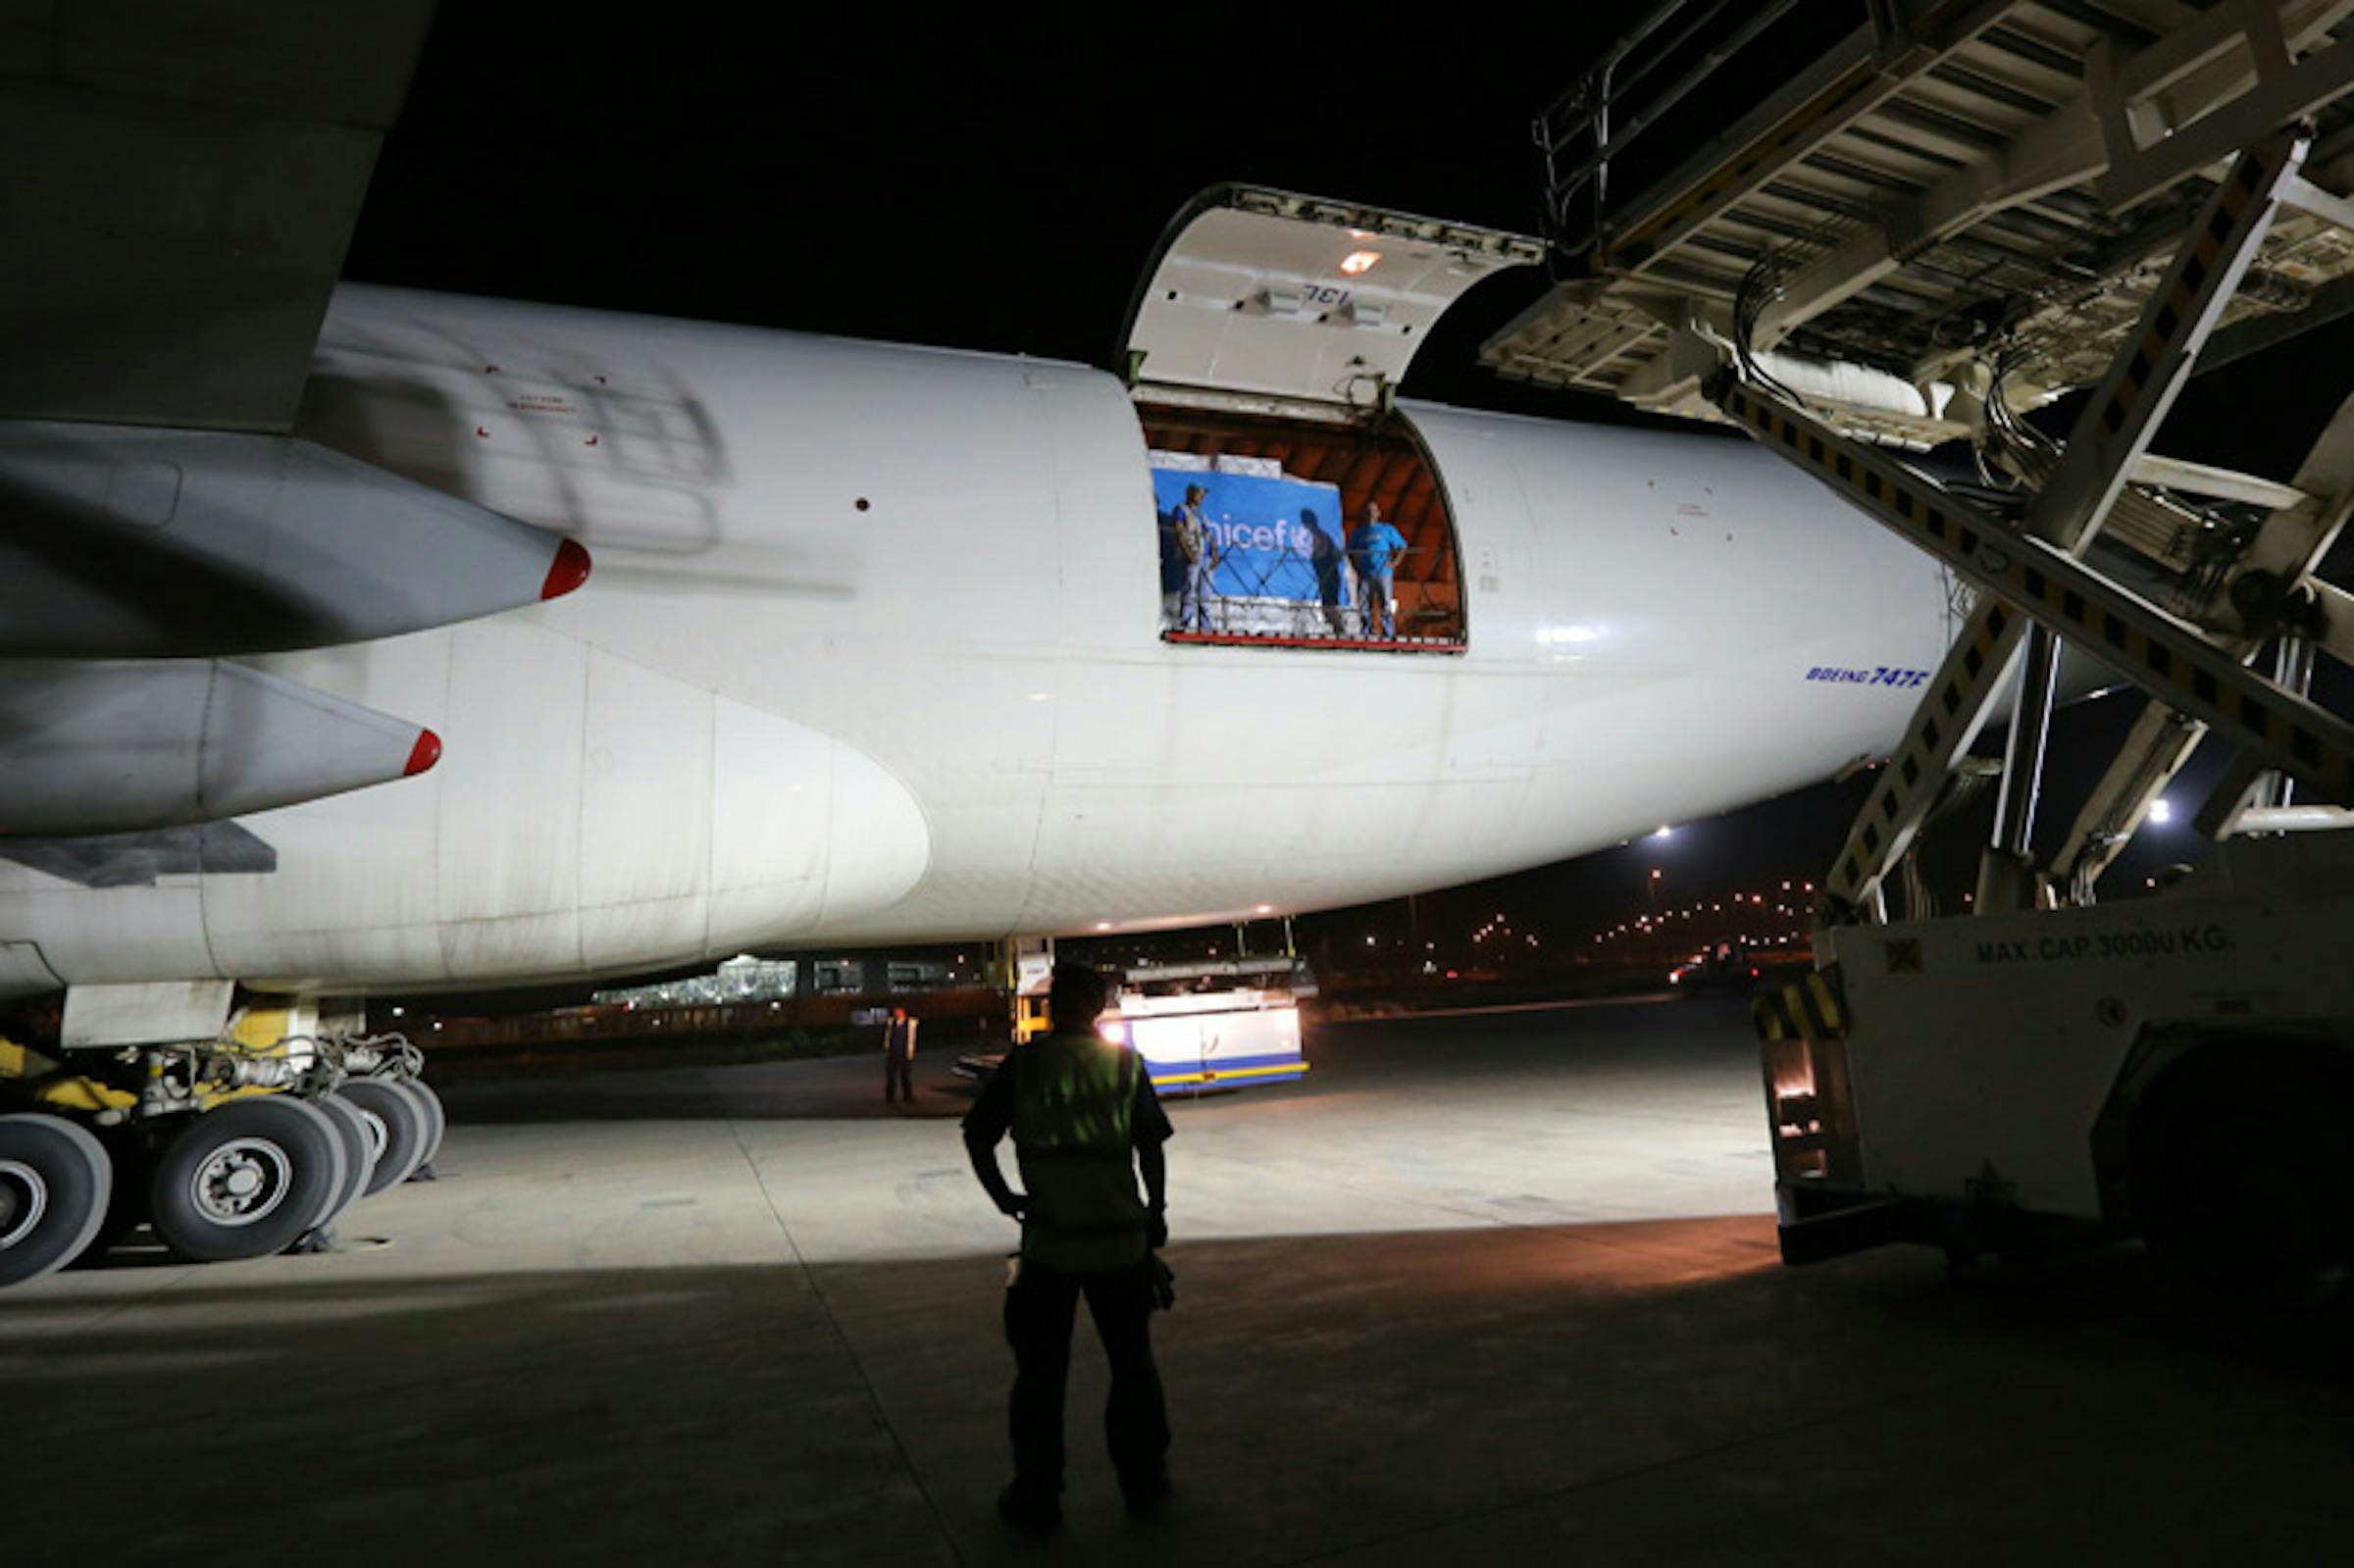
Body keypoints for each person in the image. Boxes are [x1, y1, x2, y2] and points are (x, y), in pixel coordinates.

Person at [963, 962, 1173, 1531]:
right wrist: (1155, 1215)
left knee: (1040, 1375)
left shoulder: (1026, 1064)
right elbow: (1151, 1148)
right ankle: (1142, 1484)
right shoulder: (1123, 1065)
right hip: (1120, 1247)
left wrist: (1006, 1199)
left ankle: (1037, 1494)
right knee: (1132, 1366)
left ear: (1054, 1005)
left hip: (1051, 1249)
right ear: (1099, 1007)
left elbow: (976, 1133)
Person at [1346, 500, 1408, 639]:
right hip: (1365, 574)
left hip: (1383, 573)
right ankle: (1366, 631)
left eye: (1373, 510)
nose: (1370, 513)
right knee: (1364, 604)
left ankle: (1388, 633)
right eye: (1368, 511)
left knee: (1385, 603)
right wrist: (1355, 568)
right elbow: (1350, 551)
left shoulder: (1387, 529)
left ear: (1378, 513)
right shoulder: (1358, 532)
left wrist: (1394, 563)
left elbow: (1402, 546)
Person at [1172, 484, 1218, 632]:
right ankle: (1185, 621)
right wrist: (1188, 552)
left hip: (1206, 556)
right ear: (1191, 493)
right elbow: (1180, 532)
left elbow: (1209, 536)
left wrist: (1215, 554)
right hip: (1194, 554)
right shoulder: (1182, 510)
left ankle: (1205, 626)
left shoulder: (1202, 515)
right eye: (1199, 494)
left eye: (1203, 495)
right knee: (1190, 588)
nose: (1201, 498)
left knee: (1205, 591)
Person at [882, 1004, 918, 1103]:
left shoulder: (910, 1023)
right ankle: (890, 1097)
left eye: (898, 1011)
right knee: (891, 1076)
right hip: (892, 1053)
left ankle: (908, 1096)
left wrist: (910, 1052)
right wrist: (887, 1048)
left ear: (903, 1012)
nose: (896, 1013)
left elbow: (913, 1038)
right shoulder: (891, 1023)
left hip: (904, 1054)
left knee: (905, 1076)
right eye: (895, 1011)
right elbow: (888, 1036)